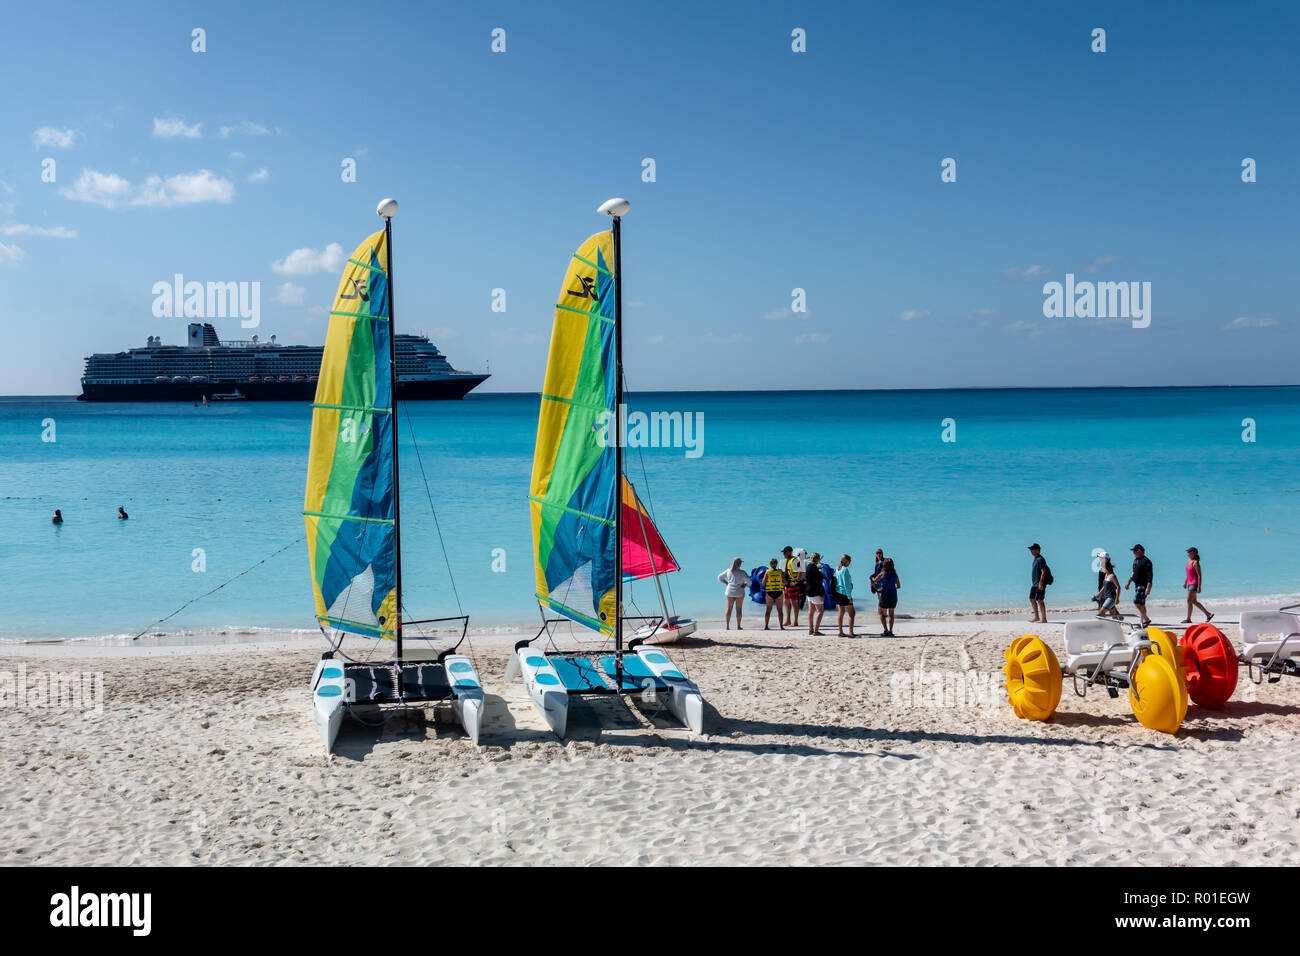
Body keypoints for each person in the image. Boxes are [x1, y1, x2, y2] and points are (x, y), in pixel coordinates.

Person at [1182, 547, 1213, 623]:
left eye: (1189, 552)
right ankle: (1208, 614)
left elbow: (1199, 575)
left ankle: (1188, 619)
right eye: (1187, 552)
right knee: (1194, 601)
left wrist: (1199, 586)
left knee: (1189, 600)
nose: (1187, 554)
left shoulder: (1196, 562)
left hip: (1194, 583)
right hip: (1189, 583)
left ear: (1193, 553)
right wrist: (1185, 582)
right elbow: (1189, 574)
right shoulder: (1189, 561)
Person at [1125, 544, 1153, 626]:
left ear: (1140, 551)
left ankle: (1146, 619)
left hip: (1143, 585)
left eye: (1135, 551)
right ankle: (1144, 621)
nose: (1133, 553)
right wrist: (1129, 582)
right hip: (1137, 585)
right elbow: (1133, 572)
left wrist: (1148, 588)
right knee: (1141, 604)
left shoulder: (1146, 561)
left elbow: (1150, 575)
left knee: (1136, 602)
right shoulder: (1136, 560)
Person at [718, 557, 748, 629]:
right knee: (739, 609)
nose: (741, 564)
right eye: (740, 563)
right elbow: (750, 581)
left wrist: (726, 583)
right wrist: (745, 585)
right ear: (739, 564)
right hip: (739, 592)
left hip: (729, 592)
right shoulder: (742, 572)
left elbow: (719, 577)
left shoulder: (728, 571)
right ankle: (738, 626)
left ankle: (727, 626)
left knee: (729, 609)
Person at [875, 558, 900, 636]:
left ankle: (885, 630)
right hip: (893, 595)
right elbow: (898, 586)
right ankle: (891, 631)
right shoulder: (895, 575)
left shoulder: (882, 574)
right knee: (891, 614)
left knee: (880, 613)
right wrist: (891, 587)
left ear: (884, 565)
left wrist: (878, 587)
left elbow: (874, 582)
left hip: (885, 595)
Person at [804, 552, 826, 635]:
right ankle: (816, 630)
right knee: (820, 611)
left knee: (811, 610)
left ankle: (811, 629)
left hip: (808, 591)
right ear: (817, 559)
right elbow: (818, 582)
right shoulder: (815, 568)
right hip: (815, 591)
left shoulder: (809, 566)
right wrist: (822, 593)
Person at [781, 545, 803, 628]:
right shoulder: (787, 560)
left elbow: (800, 571)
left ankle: (795, 621)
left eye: (785, 552)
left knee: (794, 602)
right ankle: (788, 620)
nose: (783, 554)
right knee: (786, 602)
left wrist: (796, 581)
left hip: (793, 584)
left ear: (790, 552)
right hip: (787, 584)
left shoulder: (795, 560)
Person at [834, 554, 856, 637]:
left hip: (838, 593)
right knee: (852, 613)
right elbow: (846, 585)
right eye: (849, 561)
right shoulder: (845, 570)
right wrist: (849, 597)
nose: (850, 563)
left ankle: (841, 632)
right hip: (844, 594)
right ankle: (851, 632)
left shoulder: (837, 568)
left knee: (841, 613)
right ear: (846, 561)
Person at [1028, 543, 1049, 623]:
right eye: (1031, 550)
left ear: (1037, 550)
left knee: (1040, 600)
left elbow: (1044, 571)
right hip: (1034, 584)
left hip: (1040, 583)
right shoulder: (1035, 559)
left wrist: (1041, 583)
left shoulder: (1040, 559)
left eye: (1032, 549)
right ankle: (1036, 617)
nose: (1031, 551)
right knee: (1032, 599)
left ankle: (1044, 619)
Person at [763, 558, 785, 630]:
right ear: (777, 564)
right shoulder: (780, 572)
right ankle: (781, 626)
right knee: (780, 610)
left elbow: (763, 583)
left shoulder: (768, 572)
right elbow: (785, 582)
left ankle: (766, 626)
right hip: (779, 592)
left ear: (770, 564)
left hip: (770, 592)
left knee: (768, 610)